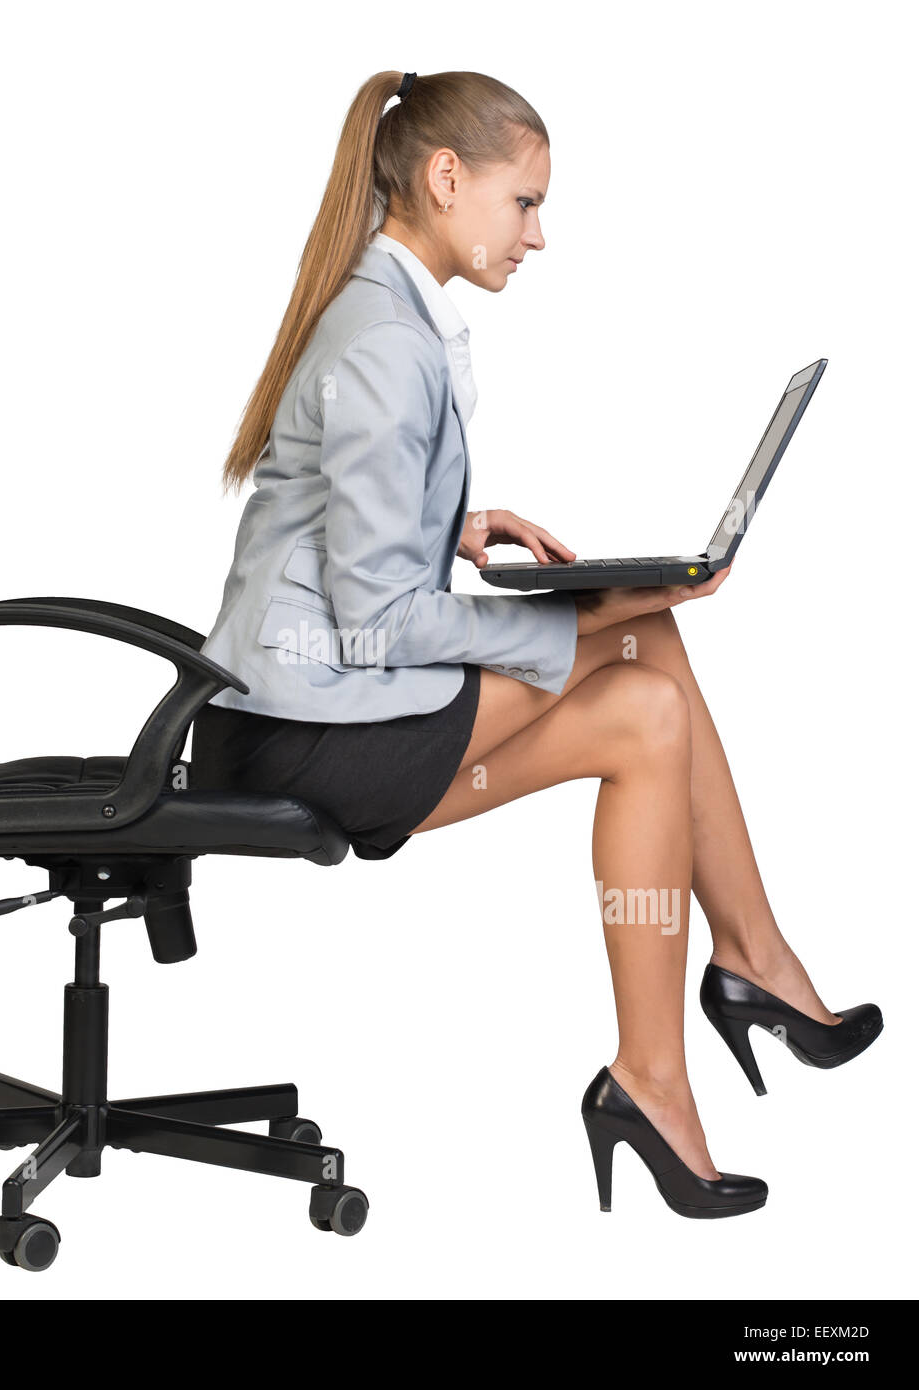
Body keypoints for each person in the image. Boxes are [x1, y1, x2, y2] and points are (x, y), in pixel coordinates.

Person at [189, 69, 882, 1218]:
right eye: (525, 203)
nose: (541, 233)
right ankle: (722, 997)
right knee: (641, 658)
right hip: (306, 734)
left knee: (647, 673)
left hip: (313, 706)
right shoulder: (383, 339)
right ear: (446, 179)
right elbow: (375, 623)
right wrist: (568, 617)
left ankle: (690, 1032)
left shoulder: (386, 309)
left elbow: (342, 529)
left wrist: (454, 525)